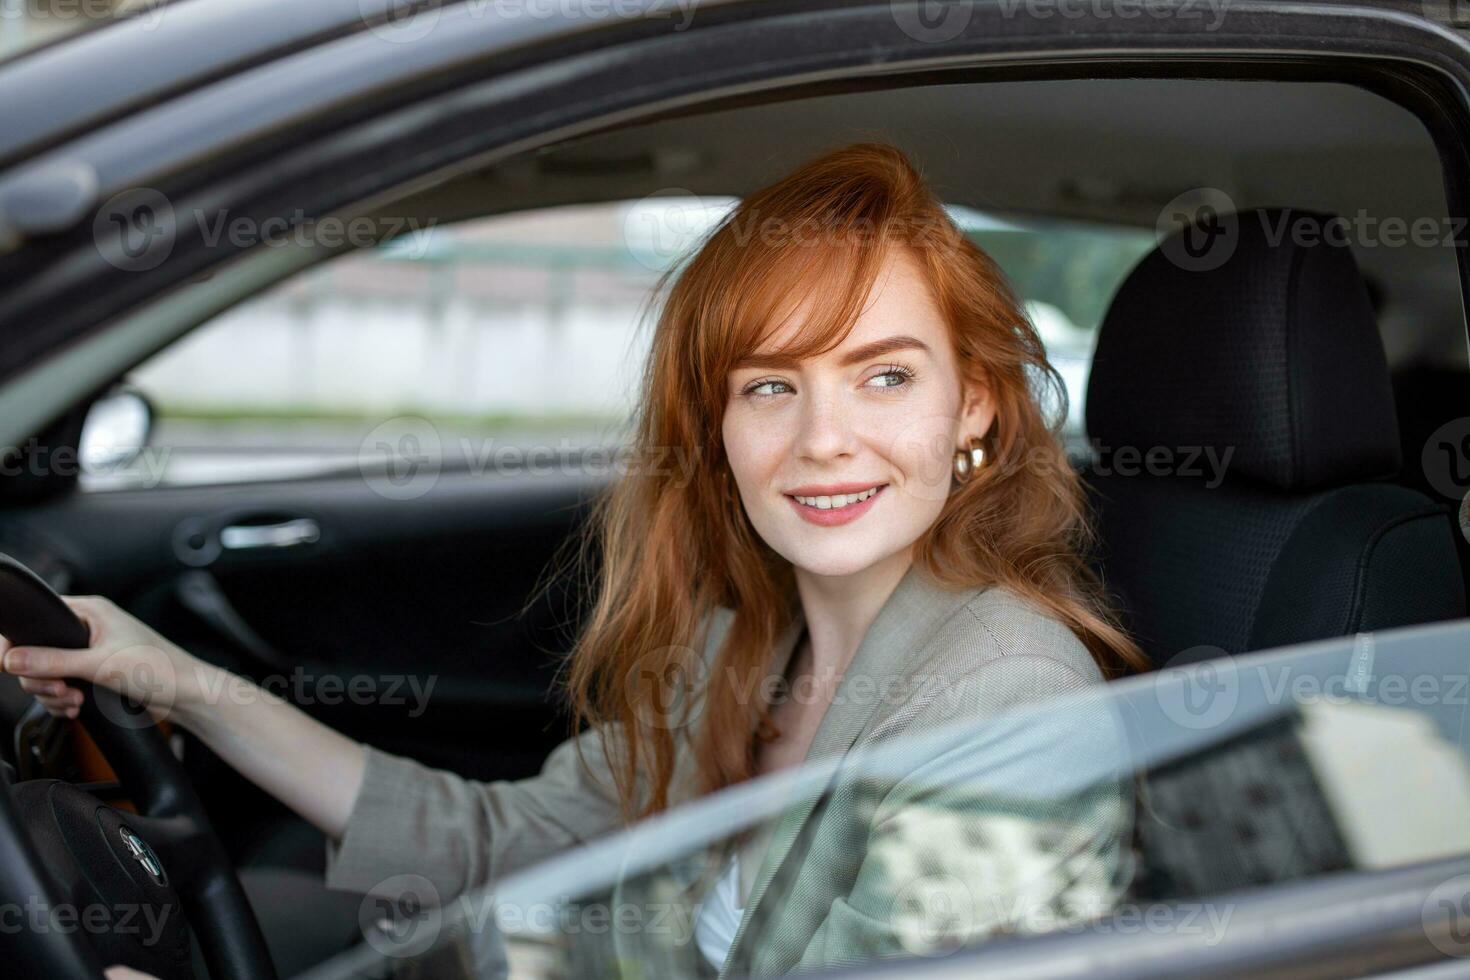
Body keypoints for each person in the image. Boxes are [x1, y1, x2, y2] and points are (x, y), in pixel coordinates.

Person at [1, 142, 1146, 976]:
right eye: (768, 386)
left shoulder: (1007, 704)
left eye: (884, 375)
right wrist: (177, 682)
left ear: (976, 409)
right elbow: (486, 839)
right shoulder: (742, 644)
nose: (822, 436)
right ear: (720, 430)